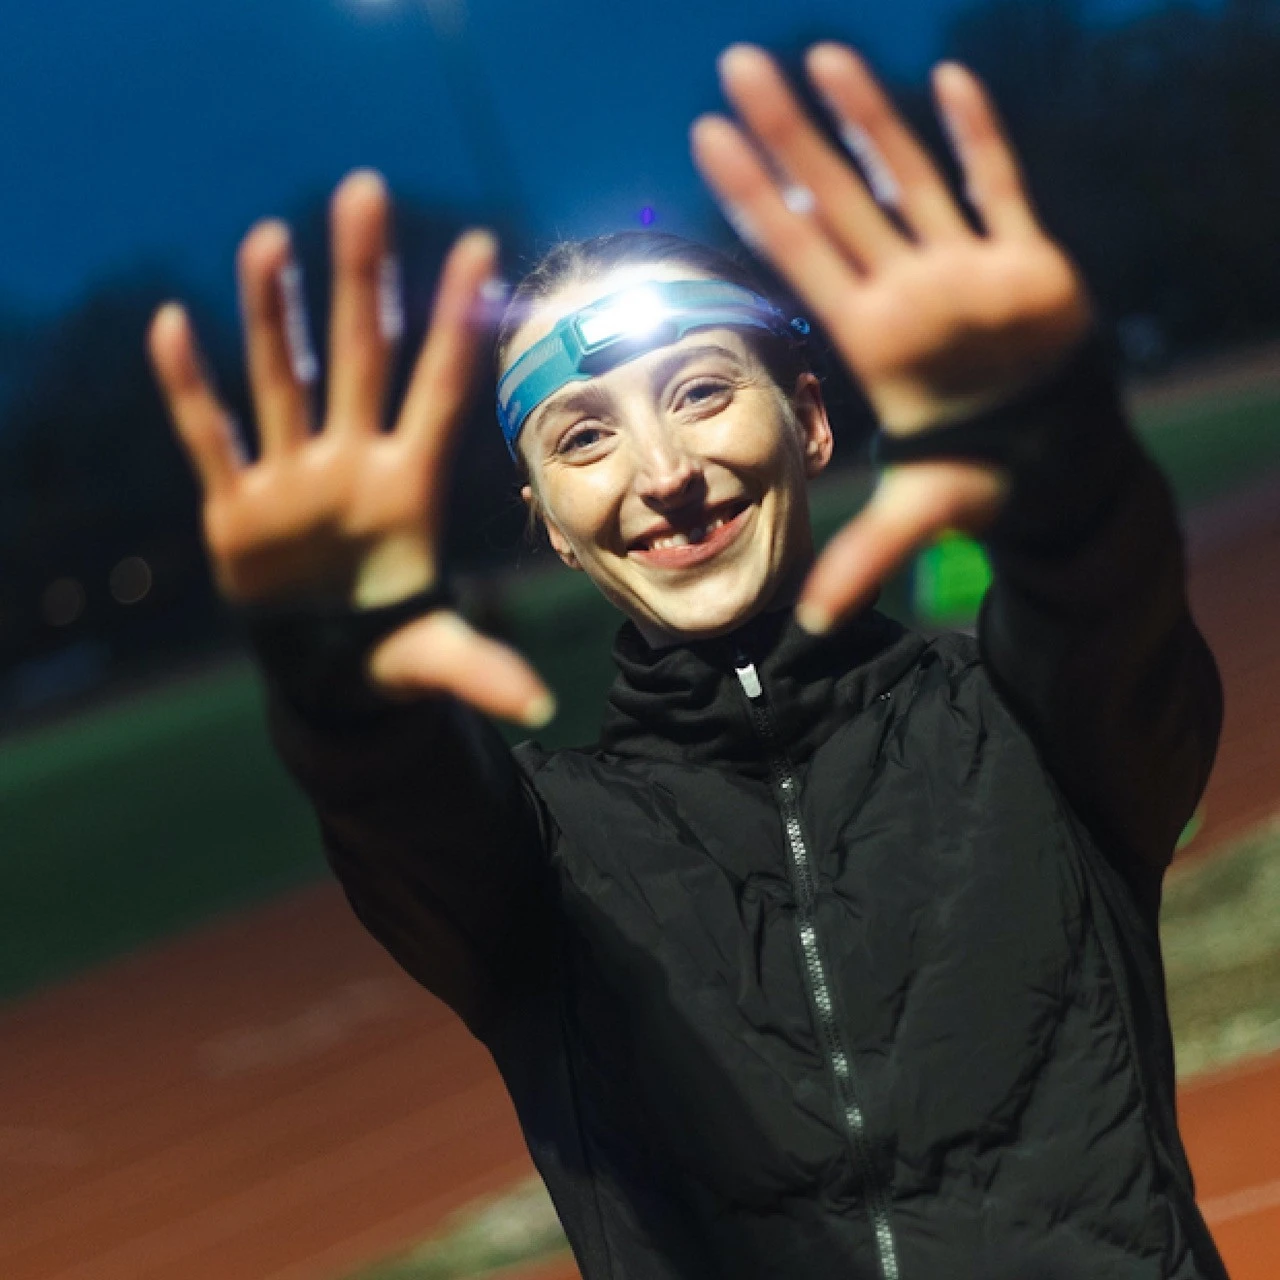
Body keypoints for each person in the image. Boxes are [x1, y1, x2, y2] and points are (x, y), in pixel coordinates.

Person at [148, 43, 1228, 1280]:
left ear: (808, 419)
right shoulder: (536, 862)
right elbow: (396, 799)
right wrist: (336, 660)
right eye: (584, 436)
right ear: (551, 525)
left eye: (702, 392)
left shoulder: (1033, 725)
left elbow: (1107, 607)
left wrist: (1049, 439)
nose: (662, 472)